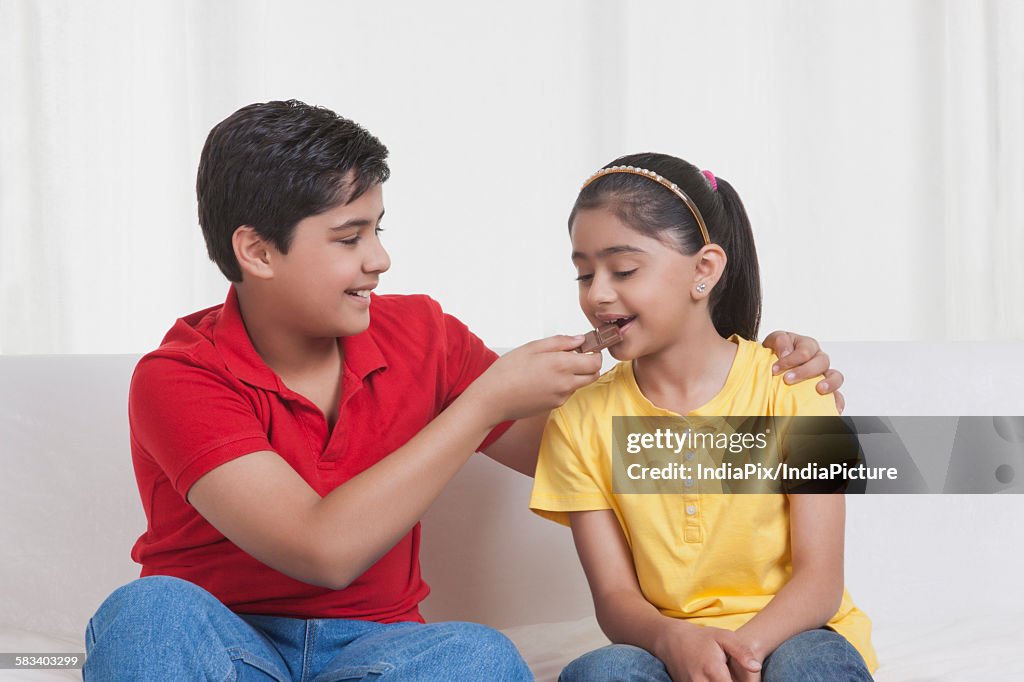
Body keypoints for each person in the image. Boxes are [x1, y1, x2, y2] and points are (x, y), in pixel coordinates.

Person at [83, 102, 842, 681]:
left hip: (380, 655)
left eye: (378, 228)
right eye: (350, 238)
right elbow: (321, 551)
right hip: (223, 643)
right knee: (144, 613)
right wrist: (483, 400)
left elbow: (614, 460)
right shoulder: (178, 377)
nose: (380, 258)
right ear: (256, 250)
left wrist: (745, 370)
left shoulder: (422, 334)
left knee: (476, 655)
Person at [530, 153, 877, 682]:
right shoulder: (578, 420)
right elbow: (615, 597)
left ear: (704, 270)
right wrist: (678, 642)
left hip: (793, 633)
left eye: (623, 270)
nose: (597, 294)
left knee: (813, 666)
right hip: (669, 647)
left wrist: (742, 653)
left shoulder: (797, 390)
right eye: (583, 274)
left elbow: (820, 581)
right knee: (601, 672)